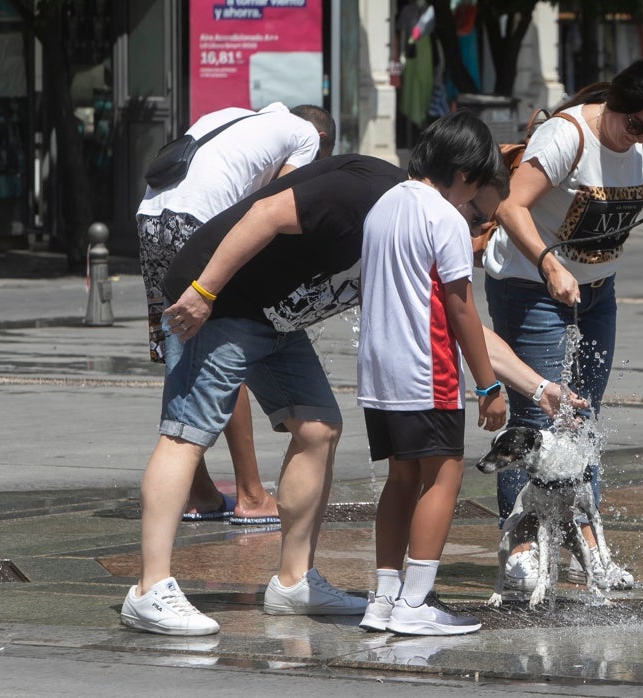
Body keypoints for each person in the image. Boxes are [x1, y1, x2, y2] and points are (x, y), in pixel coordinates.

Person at [120, 137, 582, 638]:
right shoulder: (367, 192)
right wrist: (205, 291)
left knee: (318, 427)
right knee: (187, 433)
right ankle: (150, 589)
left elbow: (460, 325)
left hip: (275, 316)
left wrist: (539, 389)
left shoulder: (419, 224)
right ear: (460, 181)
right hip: (220, 300)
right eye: (476, 218)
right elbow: (268, 212)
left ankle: (293, 581)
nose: (475, 235)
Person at [482, 58, 643, 592]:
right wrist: (550, 264)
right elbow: (512, 206)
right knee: (539, 415)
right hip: (531, 288)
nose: (642, 137)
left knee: (583, 423)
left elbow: (626, 196)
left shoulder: (637, 141)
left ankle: (588, 546)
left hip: (596, 293)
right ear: (617, 105)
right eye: (637, 126)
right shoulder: (567, 135)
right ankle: (523, 546)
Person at [136, 102, 335, 524]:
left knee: (181, 345)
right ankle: (249, 493)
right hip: (198, 223)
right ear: (321, 145)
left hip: (151, 220)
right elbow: (281, 208)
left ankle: (199, 491)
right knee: (225, 346)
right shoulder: (303, 136)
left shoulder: (236, 116)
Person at [356, 111, 506, 636]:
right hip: (427, 367)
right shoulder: (444, 218)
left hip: (379, 370)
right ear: (464, 174)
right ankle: (415, 606)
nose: (473, 200)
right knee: (444, 475)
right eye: (477, 186)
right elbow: (461, 308)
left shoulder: (384, 205)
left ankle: (383, 598)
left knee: (401, 477)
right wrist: (488, 385)